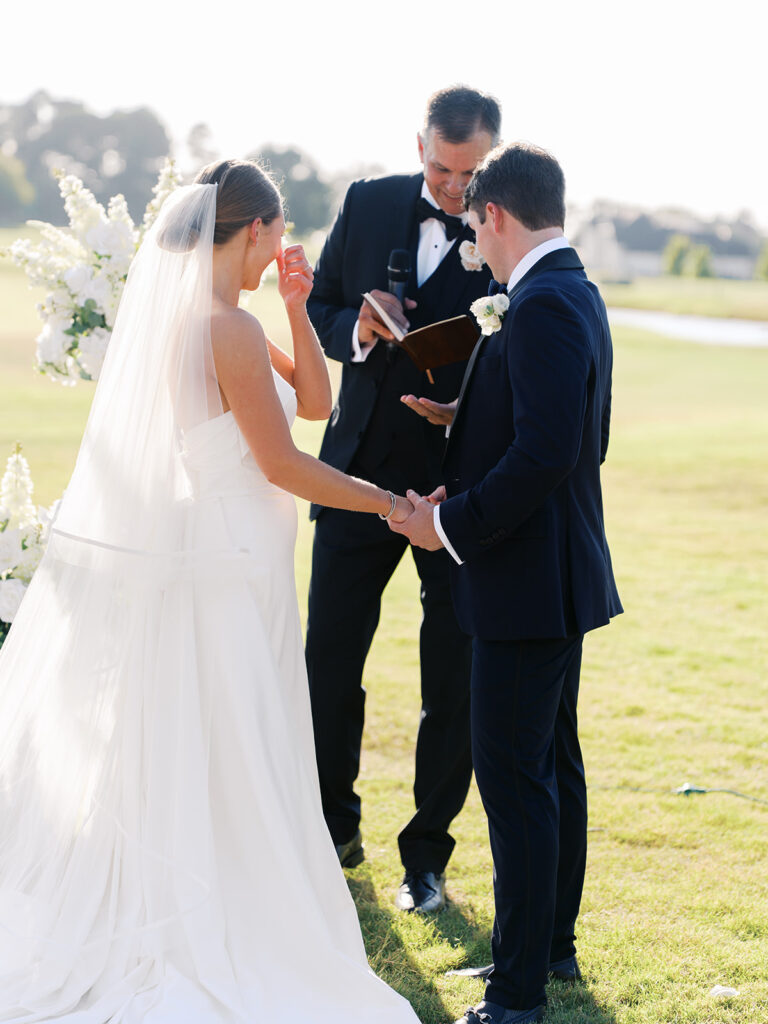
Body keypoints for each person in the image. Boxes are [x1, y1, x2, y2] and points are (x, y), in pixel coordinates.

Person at [0, 160, 420, 1023]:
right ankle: (224, 916)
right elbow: (286, 463)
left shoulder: (225, 321)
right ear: (254, 230)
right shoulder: (223, 328)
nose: (281, 251)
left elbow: (314, 402)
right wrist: (388, 503)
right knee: (237, 733)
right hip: (229, 561)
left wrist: (298, 307)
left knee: (233, 733)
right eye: (278, 235)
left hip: (240, 554)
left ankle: (221, 894)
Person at [391, 142, 623, 1024]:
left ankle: (517, 994)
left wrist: (446, 524)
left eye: (474, 227)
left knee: (518, 785)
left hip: (526, 584)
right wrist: (468, 422)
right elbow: (559, 429)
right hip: (547, 578)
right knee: (550, 769)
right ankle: (548, 948)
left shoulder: (544, 302)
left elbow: (551, 451)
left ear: (495, 214)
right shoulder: (568, 290)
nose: (473, 245)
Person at [305, 85, 501, 912]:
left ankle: (427, 857)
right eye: (443, 169)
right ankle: (331, 830)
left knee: (451, 678)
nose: (456, 188)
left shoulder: (503, 225)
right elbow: (317, 306)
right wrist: (358, 326)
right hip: (356, 475)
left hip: (457, 488)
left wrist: (466, 405)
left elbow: (519, 347)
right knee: (327, 661)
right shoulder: (367, 201)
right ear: (419, 146)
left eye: (470, 173)